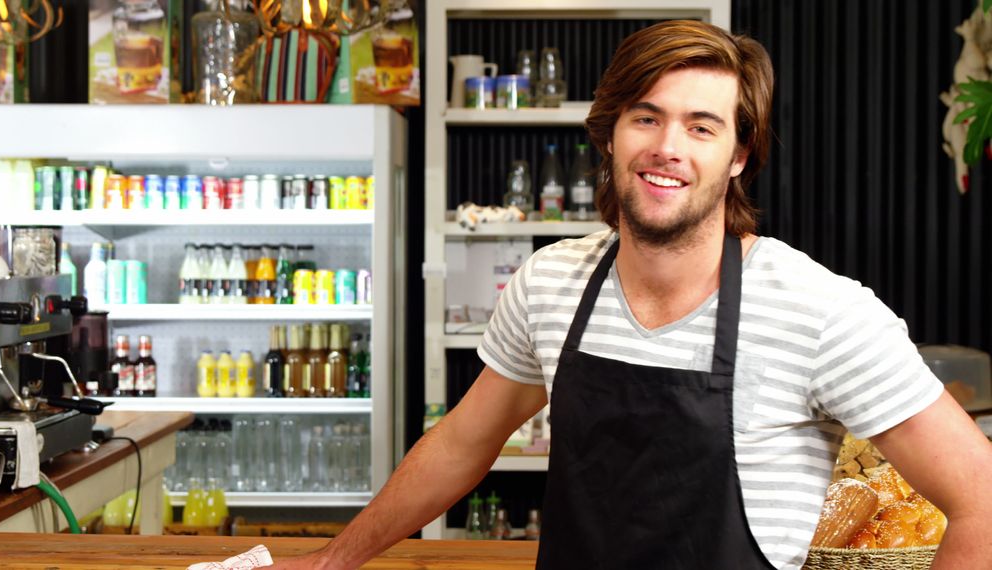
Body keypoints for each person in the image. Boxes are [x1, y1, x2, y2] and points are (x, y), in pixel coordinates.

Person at [270, 19, 992, 570]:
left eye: (701, 127)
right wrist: (335, 560)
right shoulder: (551, 282)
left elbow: (980, 500)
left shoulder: (820, 310)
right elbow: (462, 444)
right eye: (646, 117)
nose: (666, 147)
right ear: (611, 133)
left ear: (739, 156)